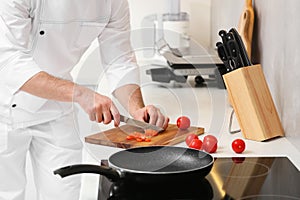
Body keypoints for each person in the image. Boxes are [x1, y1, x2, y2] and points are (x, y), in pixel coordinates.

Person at [0, 0, 169, 199]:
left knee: (63, 194)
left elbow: (120, 60)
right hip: (4, 105)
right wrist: (79, 94)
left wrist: (136, 108)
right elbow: (9, 62)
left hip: (57, 108)